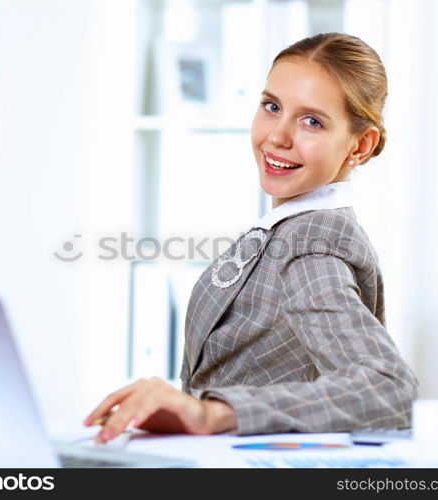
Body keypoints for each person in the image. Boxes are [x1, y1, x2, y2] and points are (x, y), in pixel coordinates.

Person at [84, 32, 418, 443]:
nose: (277, 136)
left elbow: (386, 389)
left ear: (360, 145)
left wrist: (212, 414)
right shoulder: (289, 225)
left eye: (311, 121)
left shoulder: (313, 242)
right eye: (272, 106)